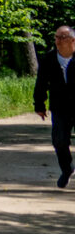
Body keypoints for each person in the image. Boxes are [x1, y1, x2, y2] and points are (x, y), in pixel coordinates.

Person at [37, 27, 75, 187]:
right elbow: (41, 83)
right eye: (56, 37)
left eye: (62, 37)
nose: (58, 41)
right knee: (59, 140)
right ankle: (66, 170)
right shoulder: (49, 59)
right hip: (60, 107)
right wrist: (39, 104)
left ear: (73, 40)